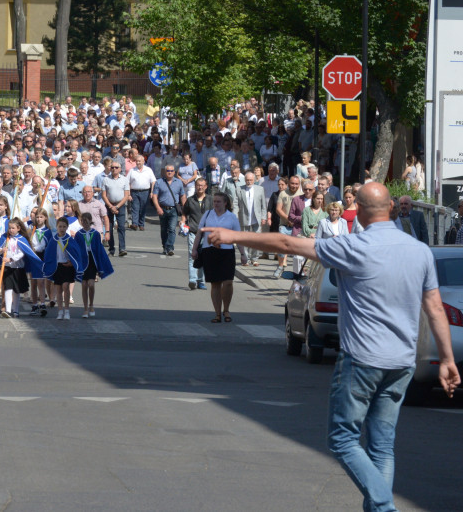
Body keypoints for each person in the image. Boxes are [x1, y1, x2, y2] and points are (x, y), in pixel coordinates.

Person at [201, 182, 459, 512]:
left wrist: (233, 237)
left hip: (363, 359)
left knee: (342, 439)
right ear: (392, 207)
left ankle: (383, 505)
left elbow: (285, 242)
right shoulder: (420, 251)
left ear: (359, 214)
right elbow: (435, 308)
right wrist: (447, 359)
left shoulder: (352, 246)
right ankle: (380, 508)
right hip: (402, 362)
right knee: (382, 445)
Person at [191, 192, 240, 323]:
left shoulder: (231, 217)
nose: (216, 204)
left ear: (225, 203)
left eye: (218, 201)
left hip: (227, 252)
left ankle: (227, 309)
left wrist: (243, 254)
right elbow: (199, 233)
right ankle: (217, 313)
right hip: (210, 251)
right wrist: (194, 249)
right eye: (214, 201)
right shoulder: (207, 215)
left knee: (228, 282)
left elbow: (238, 237)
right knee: (215, 283)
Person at [0, 218, 43, 318]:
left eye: (13, 228)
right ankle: (8, 310)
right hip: (7, 267)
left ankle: (16, 310)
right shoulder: (5, 237)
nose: (10, 230)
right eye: (9, 228)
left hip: (18, 268)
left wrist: (11, 259)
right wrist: (2, 250)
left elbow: (22, 253)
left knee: (16, 290)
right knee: (8, 288)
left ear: (18, 228)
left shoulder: (21, 239)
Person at [41, 217, 87, 321]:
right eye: (60, 226)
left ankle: (67, 310)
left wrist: (72, 262)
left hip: (67, 267)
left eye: (64, 227)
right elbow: (49, 254)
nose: (62, 228)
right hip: (57, 267)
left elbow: (76, 253)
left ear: (67, 227)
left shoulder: (70, 239)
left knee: (66, 286)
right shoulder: (54, 240)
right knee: (58, 289)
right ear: (56, 227)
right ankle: (60, 311)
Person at [75, 212, 114, 318]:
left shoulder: (95, 234)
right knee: (84, 285)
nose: (85, 223)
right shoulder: (79, 234)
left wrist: (101, 266)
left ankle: (91, 304)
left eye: (87, 221)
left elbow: (99, 250)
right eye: (83, 221)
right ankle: (85, 308)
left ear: (90, 221)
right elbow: (76, 249)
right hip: (83, 261)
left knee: (91, 284)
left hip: (92, 261)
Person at [95, 160, 131, 257]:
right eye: (112, 167)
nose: (114, 169)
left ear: (120, 169)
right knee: (109, 228)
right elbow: (103, 195)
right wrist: (111, 206)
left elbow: (126, 195)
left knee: (121, 227)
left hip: (121, 205)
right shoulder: (106, 180)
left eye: (116, 167)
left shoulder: (124, 179)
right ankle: (111, 249)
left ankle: (122, 248)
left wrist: (117, 206)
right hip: (109, 205)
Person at [151, 164, 186, 256]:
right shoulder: (159, 182)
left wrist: (185, 208)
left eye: (171, 171)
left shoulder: (178, 182)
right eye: (168, 171)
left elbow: (182, 196)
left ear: (174, 172)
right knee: (163, 229)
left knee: (172, 229)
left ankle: (170, 247)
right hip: (162, 208)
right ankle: (164, 246)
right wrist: (158, 208)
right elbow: (154, 196)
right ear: (165, 172)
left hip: (174, 209)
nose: (169, 172)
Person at [183, 177, 210, 290]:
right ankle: (192, 280)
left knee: (203, 257)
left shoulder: (211, 199)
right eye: (198, 185)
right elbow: (184, 213)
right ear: (195, 186)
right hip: (193, 231)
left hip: (207, 232)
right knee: (192, 256)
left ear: (206, 186)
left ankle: (201, 281)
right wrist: (183, 223)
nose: (200, 187)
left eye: (202, 185)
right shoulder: (190, 200)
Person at [236, 171, 267, 266]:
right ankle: (246, 258)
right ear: (244, 180)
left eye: (251, 180)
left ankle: (254, 258)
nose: (249, 182)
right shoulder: (239, 189)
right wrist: (235, 216)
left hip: (256, 218)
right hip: (244, 218)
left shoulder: (260, 189)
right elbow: (235, 203)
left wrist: (263, 217)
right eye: (247, 180)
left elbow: (263, 205)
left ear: (254, 180)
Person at [27, 208, 52, 316]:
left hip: (42, 258)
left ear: (45, 218)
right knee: (33, 282)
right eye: (37, 217)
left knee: (41, 282)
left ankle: (42, 303)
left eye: (41, 217)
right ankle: (34, 304)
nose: (39, 219)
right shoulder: (31, 229)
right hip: (33, 256)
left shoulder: (48, 231)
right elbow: (28, 241)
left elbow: (50, 246)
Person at [126, 155, 156, 231]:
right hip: (134, 192)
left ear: (143, 162)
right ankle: (135, 224)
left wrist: (152, 192)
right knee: (135, 208)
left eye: (140, 161)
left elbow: (153, 181)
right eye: (137, 161)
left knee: (143, 208)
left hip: (145, 192)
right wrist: (129, 194)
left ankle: (141, 224)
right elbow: (127, 182)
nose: (138, 163)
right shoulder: (132, 170)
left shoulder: (148, 170)